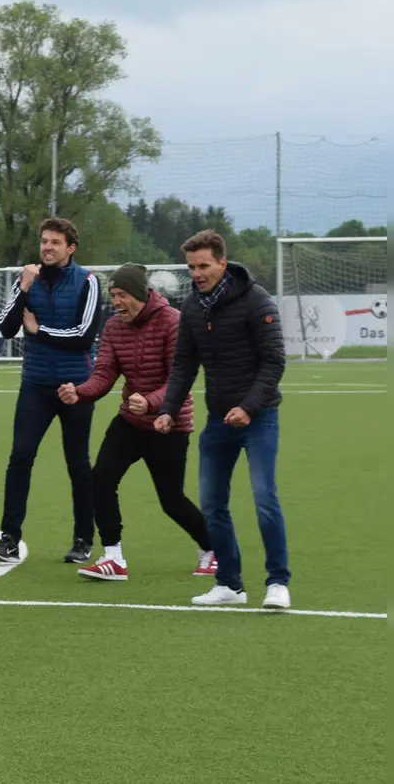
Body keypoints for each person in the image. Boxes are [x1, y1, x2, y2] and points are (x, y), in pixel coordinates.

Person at [155, 230, 290, 609]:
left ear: (222, 264)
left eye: (203, 266)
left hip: (258, 417)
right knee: (212, 504)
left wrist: (248, 407)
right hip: (218, 422)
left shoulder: (256, 300)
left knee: (265, 498)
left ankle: (277, 582)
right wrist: (167, 409)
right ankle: (229, 584)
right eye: (191, 267)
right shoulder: (193, 308)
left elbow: (274, 361)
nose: (197, 273)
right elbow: (183, 365)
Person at [59, 264, 215, 581]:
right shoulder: (115, 327)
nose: (116, 302)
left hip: (169, 423)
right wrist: (81, 392)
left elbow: (179, 379)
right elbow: (104, 373)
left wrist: (152, 402)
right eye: (113, 295)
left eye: (122, 295)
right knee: (100, 479)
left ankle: (213, 550)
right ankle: (113, 557)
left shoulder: (173, 322)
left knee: (171, 501)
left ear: (140, 295)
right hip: (130, 421)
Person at [0, 217, 105, 565]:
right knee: (20, 457)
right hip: (35, 384)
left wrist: (39, 330)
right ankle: (9, 539)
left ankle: (83, 538)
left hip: (76, 385)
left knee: (78, 463)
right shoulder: (27, 281)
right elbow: (7, 329)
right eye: (44, 241)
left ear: (71, 248)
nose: (47, 247)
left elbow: (84, 335)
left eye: (55, 242)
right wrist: (23, 288)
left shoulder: (88, 280)